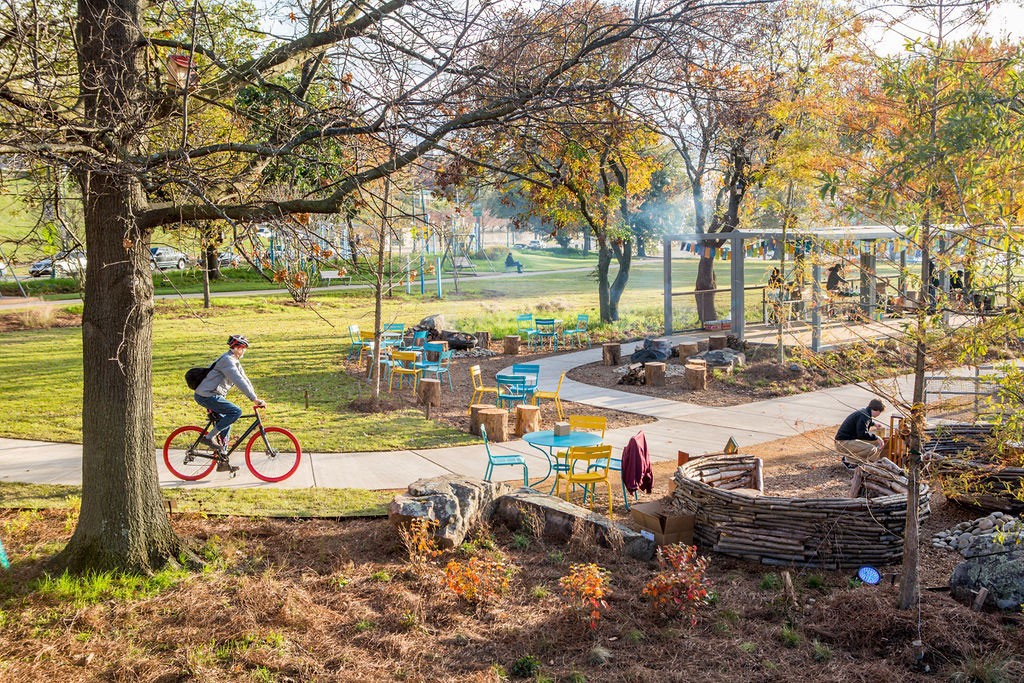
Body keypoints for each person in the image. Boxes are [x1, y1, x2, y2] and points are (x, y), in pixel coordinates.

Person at [194, 335, 266, 471]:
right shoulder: (227, 361)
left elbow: (245, 380)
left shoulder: (234, 361)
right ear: (237, 348)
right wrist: (253, 399)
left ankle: (222, 461)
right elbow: (238, 381)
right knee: (236, 412)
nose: (244, 351)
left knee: (226, 424)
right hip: (206, 395)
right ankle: (209, 437)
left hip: (213, 395)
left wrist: (256, 397)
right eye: (243, 348)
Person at [835, 398, 887, 468]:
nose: (879, 414)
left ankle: (864, 460)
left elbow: (865, 423)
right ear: (877, 410)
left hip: (849, 439)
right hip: (842, 442)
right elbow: (862, 434)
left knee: (877, 442)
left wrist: (874, 424)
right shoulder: (864, 416)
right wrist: (876, 437)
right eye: (880, 412)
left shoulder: (865, 412)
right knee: (872, 449)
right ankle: (849, 460)